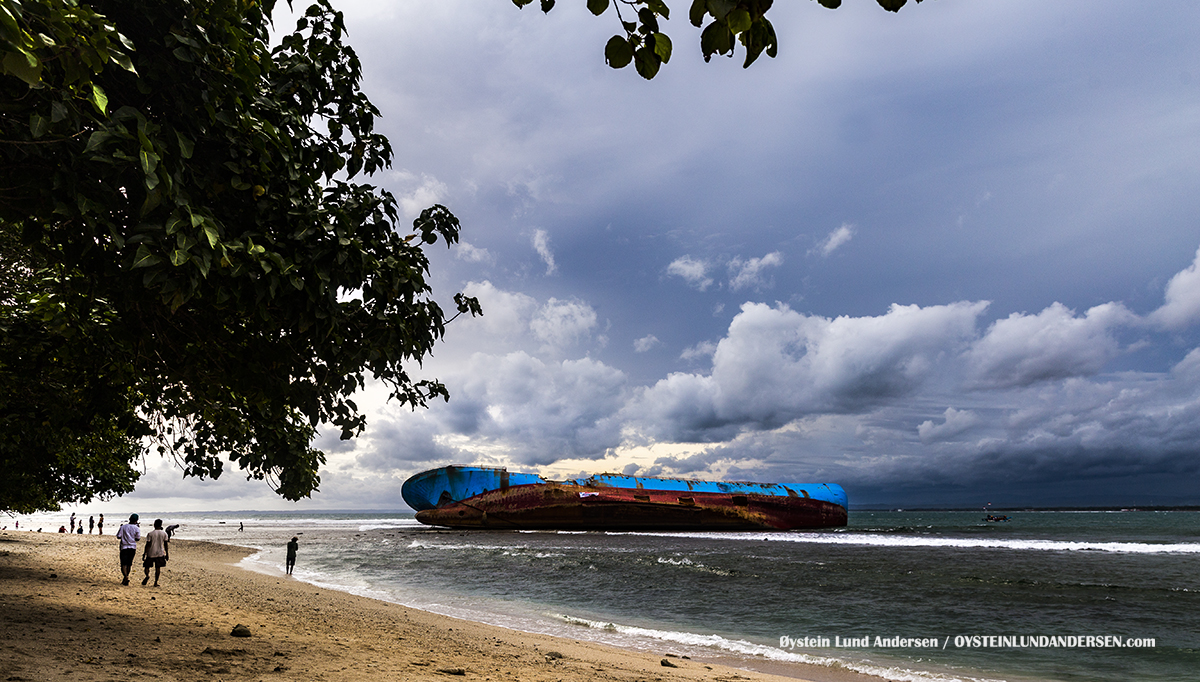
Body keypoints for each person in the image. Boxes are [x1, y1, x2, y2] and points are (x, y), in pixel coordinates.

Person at [142, 519, 169, 586]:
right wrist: (167, 554)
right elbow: (165, 544)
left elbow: (147, 544)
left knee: (147, 566)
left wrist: (145, 553)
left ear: (154, 525)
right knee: (158, 568)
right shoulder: (164, 533)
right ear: (161, 525)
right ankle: (156, 582)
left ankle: (147, 575)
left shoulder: (150, 534)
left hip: (151, 552)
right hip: (160, 552)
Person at [115, 514, 141, 585]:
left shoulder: (123, 527)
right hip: (132, 547)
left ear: (129, 519)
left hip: (124, 547)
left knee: (123, 564)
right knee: (129, 564)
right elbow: (138, 538)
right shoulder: (136, 528)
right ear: (136, 521)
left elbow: (118, 536)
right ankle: (127, 576)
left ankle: (125, 576)